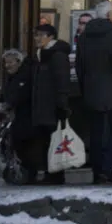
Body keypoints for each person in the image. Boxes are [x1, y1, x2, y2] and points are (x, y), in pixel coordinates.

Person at [75, 1, 112, 185]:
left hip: (92, 91)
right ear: (108, 16)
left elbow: (79, 67)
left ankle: (97, 171)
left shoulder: (84, 37)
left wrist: (85, 87)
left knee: (96, 132)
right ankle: (107, 167)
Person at [31, 23, 73, 184]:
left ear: (51, 37)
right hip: (42, 106)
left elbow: (62, 82)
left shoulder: (57, 55)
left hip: (52, 106)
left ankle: (56, 174)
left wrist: (62, 105)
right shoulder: (41, 54)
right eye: (36, 35)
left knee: (54, 140)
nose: (37, 38)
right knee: (45, 140)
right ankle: (49, 172)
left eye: (41, 35)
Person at [0, 48, 42, 182]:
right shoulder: (12, 77)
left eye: (10, 62)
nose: (7, 66)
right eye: (6, 63)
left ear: (18, 62)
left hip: (27, 116)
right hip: (17, 116)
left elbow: (21, 95)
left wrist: (8, 104)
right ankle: (21, 170)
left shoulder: (24, 76)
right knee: (16, 144)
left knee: (25, 145)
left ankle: (29, 173)